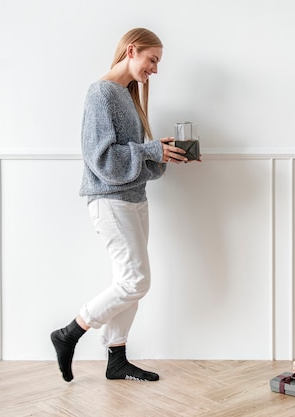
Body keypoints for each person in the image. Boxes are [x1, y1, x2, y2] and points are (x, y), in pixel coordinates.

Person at [51, 28, 192, 382]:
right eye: (152, 60)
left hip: (134, 200)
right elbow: (102, 160)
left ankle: (117, 358)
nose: (155, 70)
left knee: (127, 280)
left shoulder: (127, 96)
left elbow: (132, 162)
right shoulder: (101, 93)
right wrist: (149, 150)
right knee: (136, 281)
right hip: (110, 202)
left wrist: (163, 155)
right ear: (132, 50)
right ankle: (69, 332)